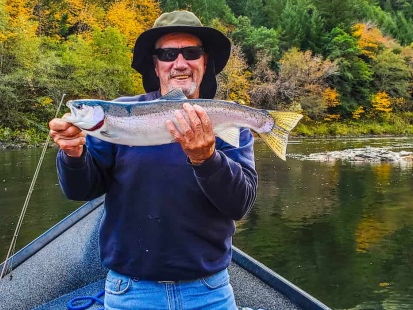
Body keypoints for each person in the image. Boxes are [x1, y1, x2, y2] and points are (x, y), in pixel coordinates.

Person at [49, 10, 258, 310]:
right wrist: (73, 154)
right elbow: (80, 190)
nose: (180, 63)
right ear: (156, 64)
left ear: (205, 61)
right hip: (129, 290)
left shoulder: (226, 120)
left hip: (209, 290)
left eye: (191, 52)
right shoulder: (117, 115)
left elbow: (241, 204)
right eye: (168, 54)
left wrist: (207, 159)